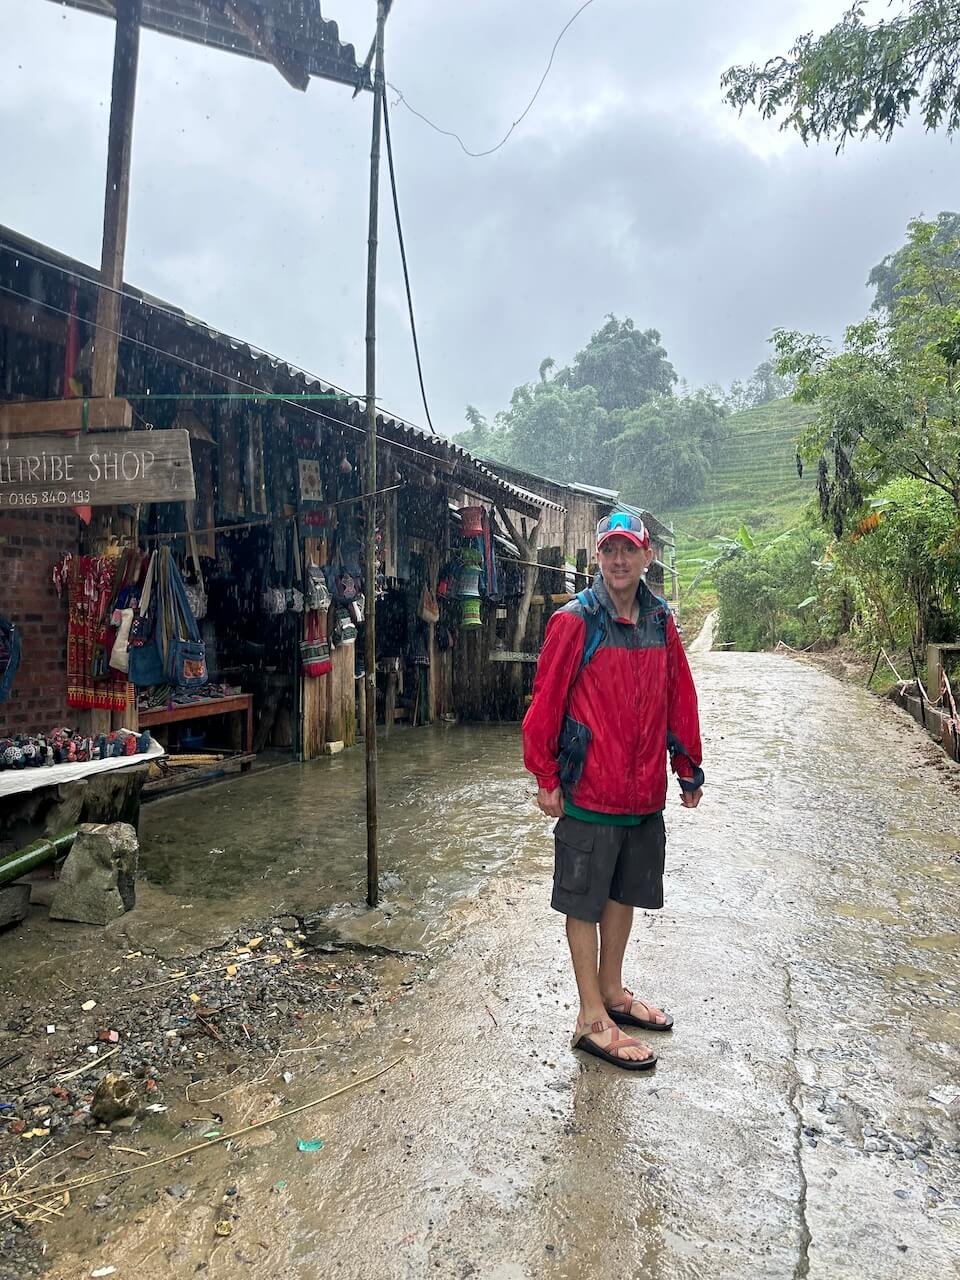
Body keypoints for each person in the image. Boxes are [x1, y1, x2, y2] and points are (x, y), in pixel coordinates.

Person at [522, 511, 704, 1071]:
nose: (619, 560)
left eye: (629, 550)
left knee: (623, 892)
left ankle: (612, 992)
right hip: (589, 792)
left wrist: (687, 764)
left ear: (647, 556)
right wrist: (546, 777)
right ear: (598, 557)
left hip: (642, 792)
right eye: (609, 550)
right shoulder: (575, 622)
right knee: (584, 898)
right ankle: (590, 1017)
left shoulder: (661, 622)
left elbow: (680, 695)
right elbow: (542, 709)